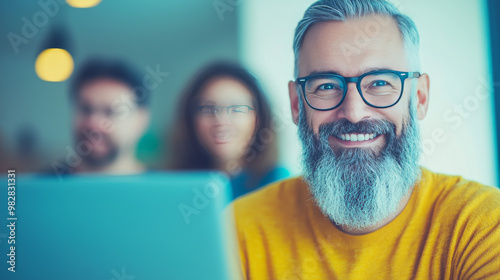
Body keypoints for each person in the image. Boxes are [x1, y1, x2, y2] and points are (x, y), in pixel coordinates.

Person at [233, 0, 500, 279]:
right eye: (326, 86)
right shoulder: (238, 231)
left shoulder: (482, 225)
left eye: (380, 83)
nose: (354, 113)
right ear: (296, 105)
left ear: (419, 98)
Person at [169, 61, 289, 199]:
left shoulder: (278, 183)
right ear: (191, 119)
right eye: (209, 109)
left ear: (259, 118)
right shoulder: (177, 182)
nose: (221, 121)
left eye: (237, 109)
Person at [61, 58, 151, 175]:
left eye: (111, 112)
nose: (93, 124)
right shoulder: (42, 188)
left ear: (141, 121)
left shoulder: (164, 190)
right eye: (86, 110)